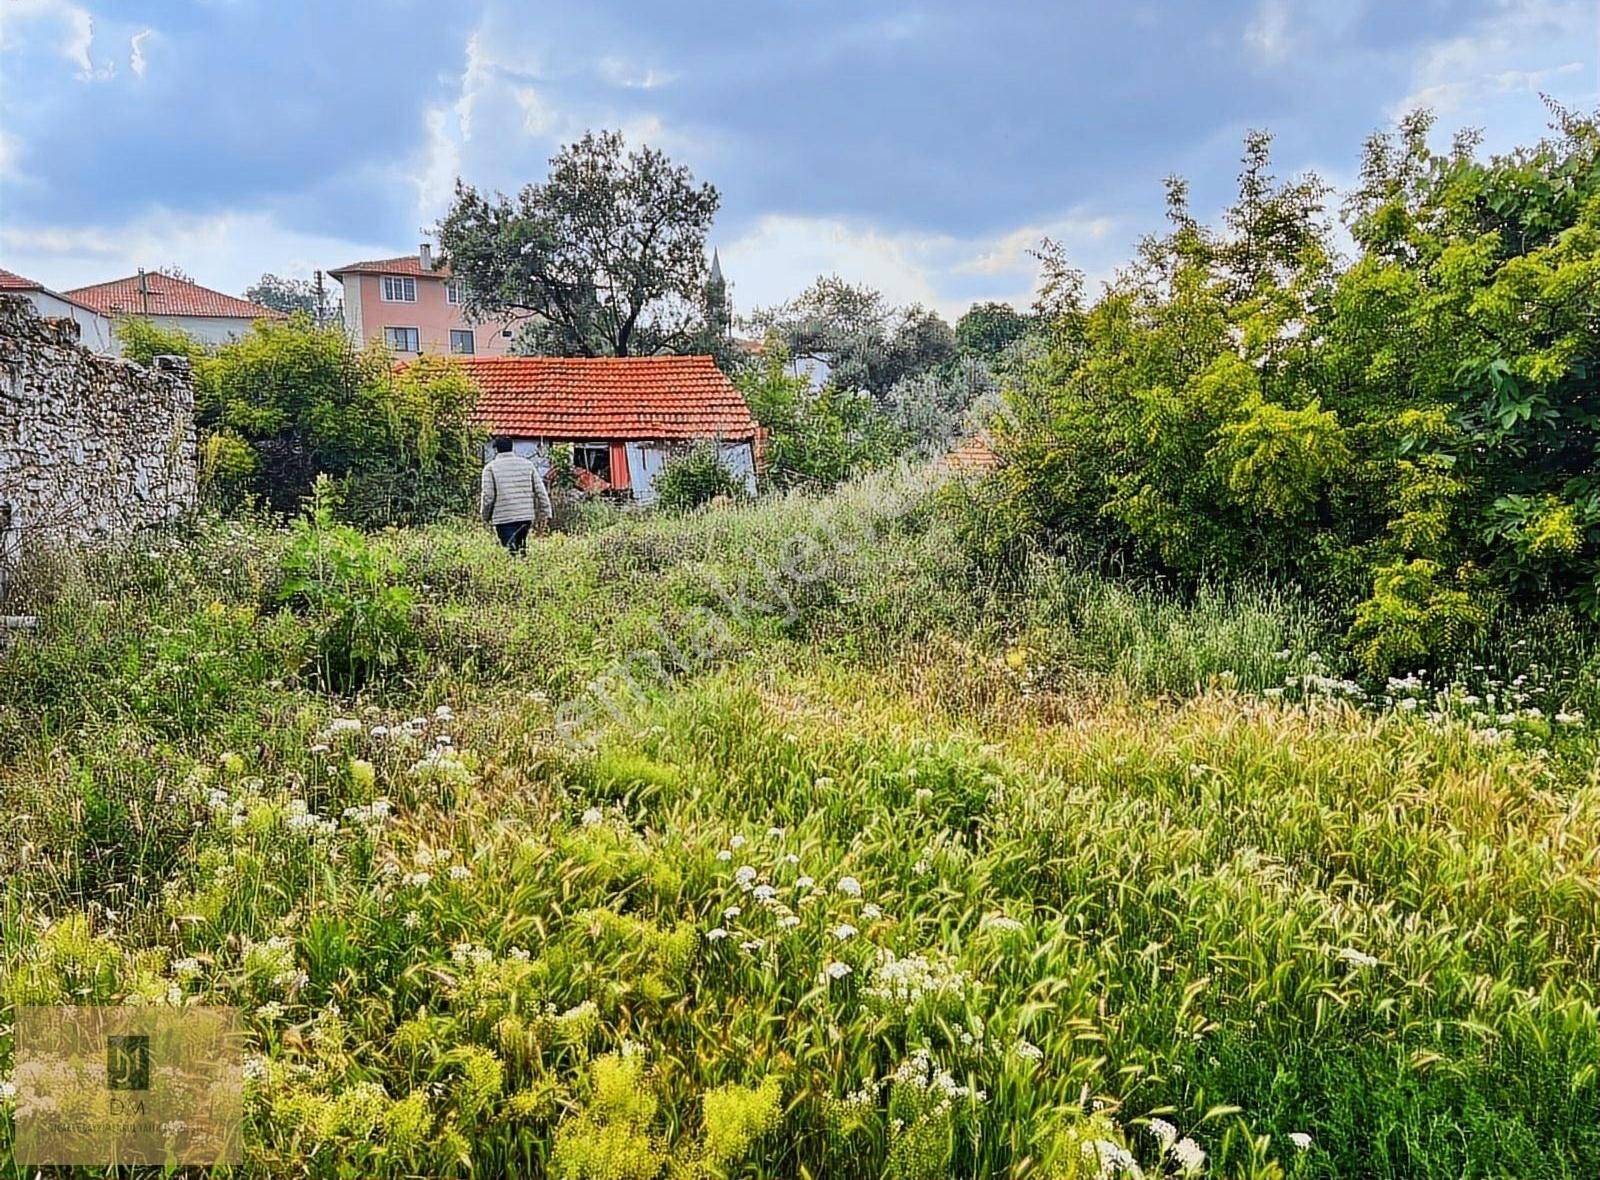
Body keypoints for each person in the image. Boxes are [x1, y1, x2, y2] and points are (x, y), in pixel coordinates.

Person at [480, 437, 552, 554]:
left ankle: (514, 570)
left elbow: (488, 497)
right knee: (520, 547)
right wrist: (546, 512)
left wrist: (485, 516)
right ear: (512, 447)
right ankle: (524, 569)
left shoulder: (490, 468)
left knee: (509, 550)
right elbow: (540, 491)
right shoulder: (527, 465)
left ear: (496, 450)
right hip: (525, 516)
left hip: (503, 517)